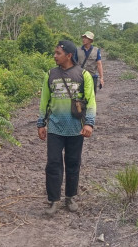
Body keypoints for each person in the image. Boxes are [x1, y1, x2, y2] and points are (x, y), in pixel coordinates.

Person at [37, 40, 96, 216]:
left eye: (58, 53)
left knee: (73, 163)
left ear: (68, 55)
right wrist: (41, 123)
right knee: (53, 164)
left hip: (76, 128)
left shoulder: (83, 75)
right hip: (55, 127)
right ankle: (53, 200)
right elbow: (44, 101)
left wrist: (89, 123)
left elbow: (91, 101)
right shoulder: (50, 75)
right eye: (55, 53)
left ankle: (70, 197)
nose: (55, 56)